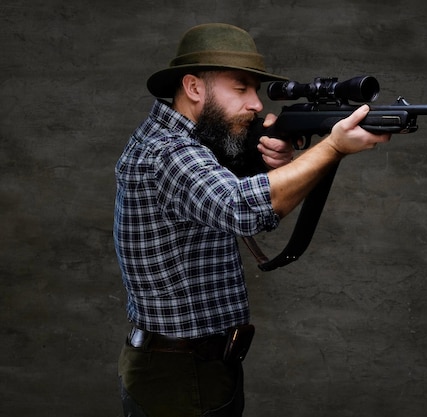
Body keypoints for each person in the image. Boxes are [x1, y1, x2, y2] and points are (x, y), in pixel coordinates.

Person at [113, 23, 391, 417]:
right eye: (241, 88)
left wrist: (268, 161)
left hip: (190, 368)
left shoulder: (183, 143)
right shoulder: (169, 152)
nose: (257, 104)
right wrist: (332, 147)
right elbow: (242, 208)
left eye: (256, 90)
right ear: (193, 88)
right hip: (180, 376)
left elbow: (219, 187)